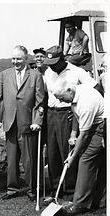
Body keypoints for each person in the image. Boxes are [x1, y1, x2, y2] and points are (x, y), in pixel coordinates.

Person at [43, 45, 100, 198]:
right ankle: (56, 190)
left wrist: (80, 110)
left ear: (63, 59)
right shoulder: (48, 72)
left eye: (55, 62)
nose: (52, 66)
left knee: (66, 152)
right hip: (51, 114)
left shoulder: (77, 72)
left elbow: (96, 88)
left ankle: (69, 191)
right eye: (50, 63)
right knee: (53, 152)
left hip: (68, 114)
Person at [0, 45, 45, 202]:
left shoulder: (35, 75)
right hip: (10, 122)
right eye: (13, 58)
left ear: (26, 58)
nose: (15, 62)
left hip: (27, 123)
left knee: (29, 160)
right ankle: (12, 188)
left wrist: (37, 121)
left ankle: (33, 188)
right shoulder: (4, 74)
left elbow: (40, 101)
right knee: (12, 159)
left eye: (18, 59)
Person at [51, 81, 105, 215]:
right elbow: (76, 113)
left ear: (69, 90)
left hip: (99, 130)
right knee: (101, 165)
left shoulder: (86, 103)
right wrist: (73, 134)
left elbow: (85, 134)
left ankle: (80, 204)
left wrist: (73, 156)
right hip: (92, 127)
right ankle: (101, 201)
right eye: (57, 98)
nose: (60, 101)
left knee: (85, 161)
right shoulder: (77, 92)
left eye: (61, 97)